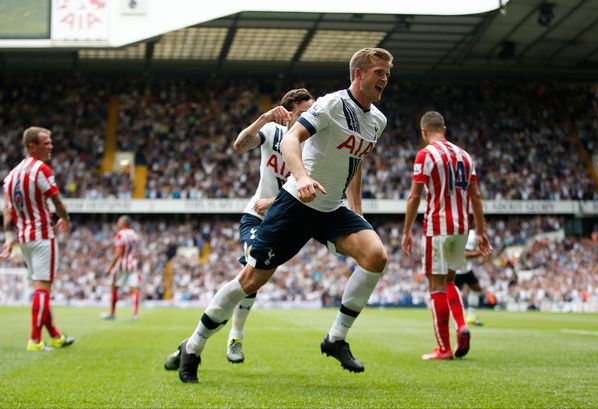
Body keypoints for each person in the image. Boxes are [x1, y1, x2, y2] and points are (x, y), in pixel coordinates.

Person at [171, 47, 393, 383]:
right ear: (359, 73)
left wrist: (357, 212)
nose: (385, 78)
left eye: (388, 73)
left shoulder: (378, 120)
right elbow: (291, 140)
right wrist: (302, 178)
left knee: (376, 256)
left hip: (331, 208)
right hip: (296, 204)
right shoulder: (331, 104)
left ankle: (335, 338)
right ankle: (194, 346)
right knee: (250, 281)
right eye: (379, 71)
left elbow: (355, 163)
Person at [163, 88, 314, 369]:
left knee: (252, 279)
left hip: (283, 221)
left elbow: (312, 189)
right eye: (306, 113)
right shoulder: (273, 131)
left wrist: (276, 201)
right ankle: (233, 336)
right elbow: (240, 145)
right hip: (256, 218)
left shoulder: (317, 145)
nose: (312, 118)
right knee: (252, 269)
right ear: (289, 112)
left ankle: (189, 345)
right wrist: (263, 117)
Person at [402, 111, 491, 361]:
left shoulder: (426, 155)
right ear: (444, 128)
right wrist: (481, 232)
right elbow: (476, 197)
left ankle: (443, 348)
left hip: (437, 227)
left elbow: (414, 196)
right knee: (451, 281)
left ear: (423, 131)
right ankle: (461, 325)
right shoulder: (465, 156)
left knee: (436, 286)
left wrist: (407, 230)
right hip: (462, 227)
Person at [0, 126, 75, 351]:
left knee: (40, 285)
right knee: (43, 287)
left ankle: (55, 335)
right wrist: (65, 218)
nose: (50, 146)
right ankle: (35, 340)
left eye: (50, 142)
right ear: (32, 146)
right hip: (43, 235)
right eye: (46, 143)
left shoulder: (11, 175)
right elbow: (57, 201)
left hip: (24, 239)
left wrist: (8, 238)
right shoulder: (40, 169)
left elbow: (7, 210)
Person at [100, 215, 140, 321]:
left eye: (119, 222)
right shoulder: (134, 234)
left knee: (114, 287)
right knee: (134, 288)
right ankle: (135, 314)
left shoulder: (120, 235)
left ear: (123, 223)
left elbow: (119, 253)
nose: (117, 224)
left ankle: (112, 313)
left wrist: (110, 267)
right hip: (132, 264)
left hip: (121, 265)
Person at [455, 229, 485, 326]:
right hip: (458, 270)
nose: (484, 224)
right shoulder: (471, 235)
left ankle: (471, 316)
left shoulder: (476, 235)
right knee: (452, 294)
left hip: (466, 269)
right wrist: (480, 253)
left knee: (476, 289)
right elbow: (464, 254)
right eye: (483, 222)